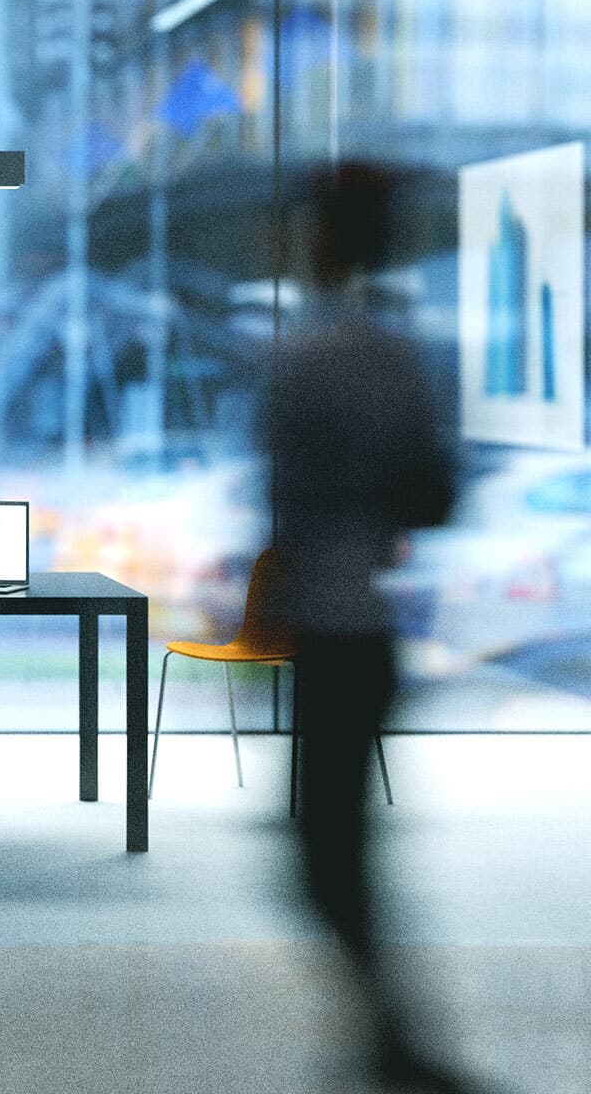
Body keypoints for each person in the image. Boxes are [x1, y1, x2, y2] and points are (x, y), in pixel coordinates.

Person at [260, 163, 476, 1093]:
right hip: (368, 624)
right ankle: (391, 1038)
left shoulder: (310, 357)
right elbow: (436, 493)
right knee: (334, 847)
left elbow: (285, 497)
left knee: (323, 854)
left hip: (328, 624)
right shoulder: (397, 357)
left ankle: (397, 1041)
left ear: (325, 241)